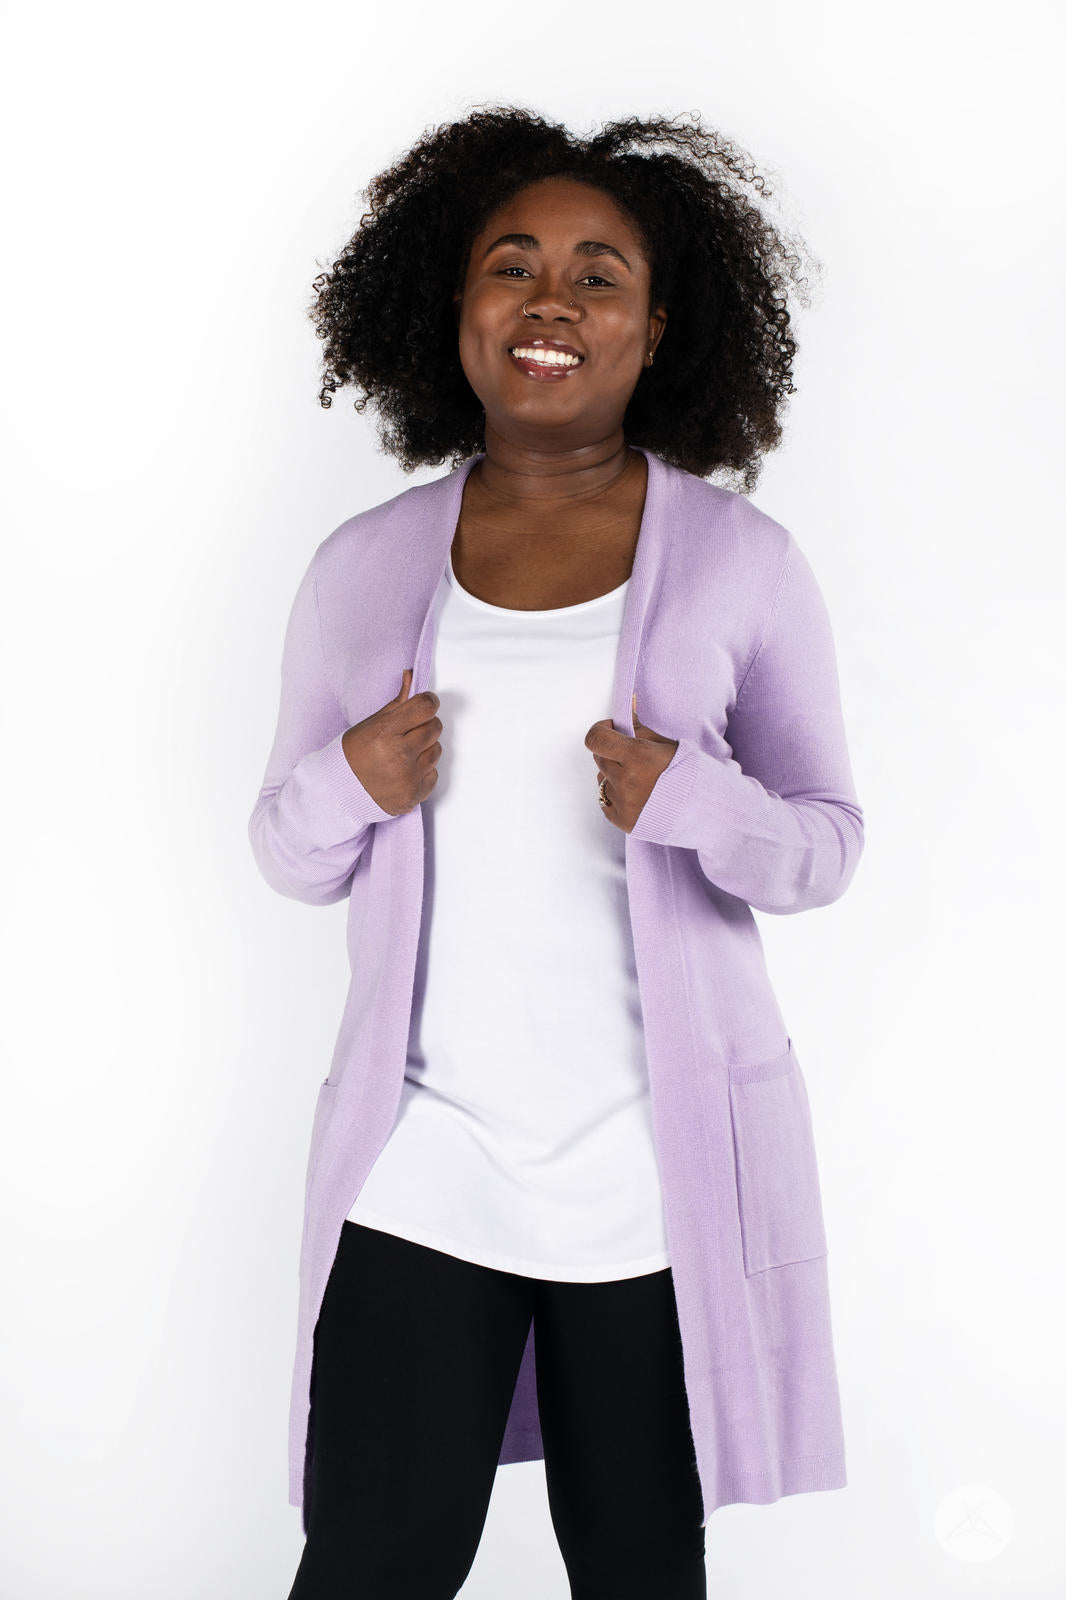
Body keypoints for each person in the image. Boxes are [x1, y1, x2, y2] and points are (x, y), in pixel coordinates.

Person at [249, 105, 864, 1600]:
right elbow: (286, 845)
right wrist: (354, 773)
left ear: (656, 330)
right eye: (510, 263)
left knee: (640, 1571)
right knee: (371, 1566)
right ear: (449, 308)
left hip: (656, 1188)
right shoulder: (363, 568)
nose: (550, 298)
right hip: (425, 1168)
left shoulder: (739, 563)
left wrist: (690, 800)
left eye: (599, 274)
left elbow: (823, 848)